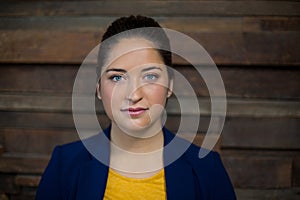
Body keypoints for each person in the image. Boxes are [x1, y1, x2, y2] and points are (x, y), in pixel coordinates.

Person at [36, 15, 236, 200]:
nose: (134, 95)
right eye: (117, 77)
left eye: (150, 76)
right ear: (98, 88)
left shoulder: (207, 168)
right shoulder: (64, 165)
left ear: (170, 86)